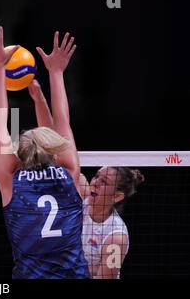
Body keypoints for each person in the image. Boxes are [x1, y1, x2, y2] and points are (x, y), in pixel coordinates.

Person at [0, 27, 90, 278]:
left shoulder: (12, 180)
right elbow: (62, 121)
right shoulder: (68, 173)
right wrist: (57, 72)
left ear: (19, 155)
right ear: (52, 149)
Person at [28, 77, 144, 279]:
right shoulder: (81, 192)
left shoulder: (116, 236)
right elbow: (53, 144)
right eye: (97, 176)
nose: (95, 182)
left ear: (117, 196)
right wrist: (38, 99)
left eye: (104, 182)